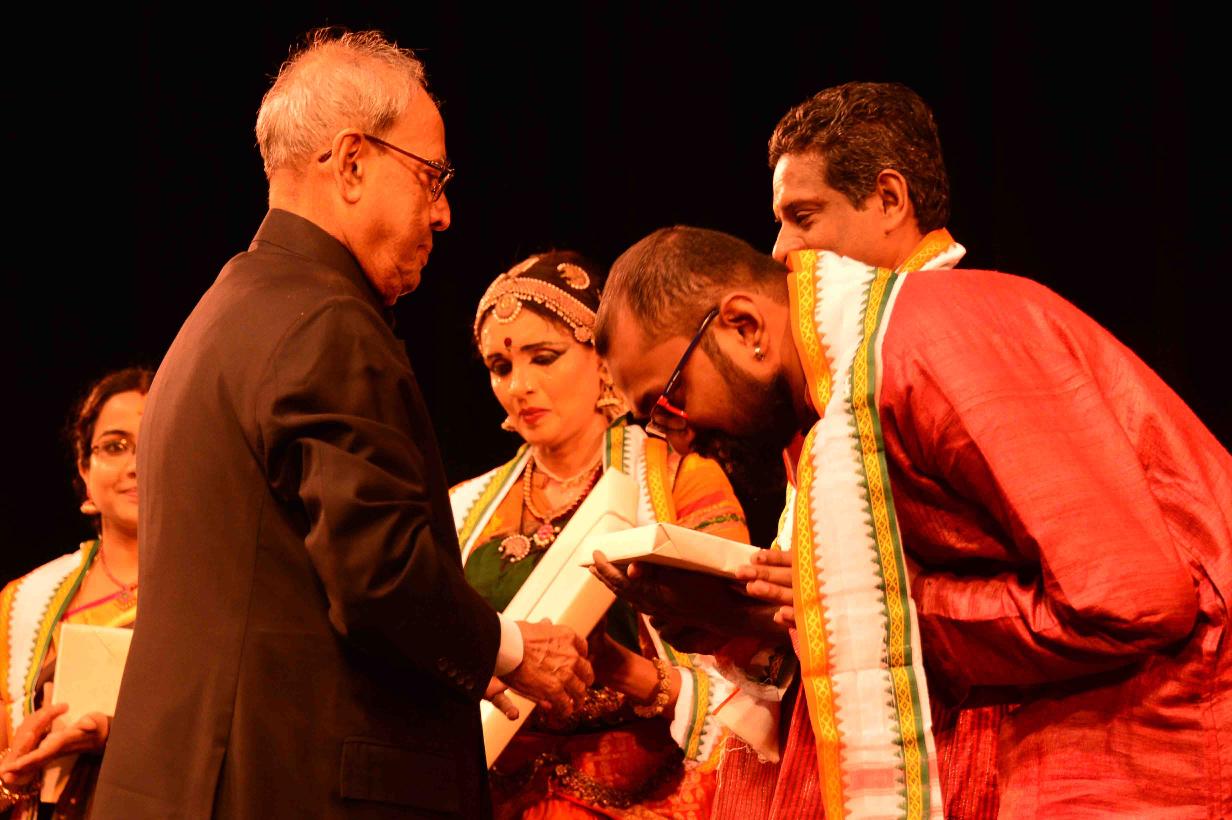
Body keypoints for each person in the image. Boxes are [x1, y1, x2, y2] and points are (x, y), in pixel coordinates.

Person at [92, 28, 592, 819]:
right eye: (431, 177)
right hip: (292, 787)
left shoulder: (219, 317)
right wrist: (511, 649)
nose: (444, 213)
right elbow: (380, 575)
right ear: (353, 162)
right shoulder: (325, 322)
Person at [591, 214, 1232, 818]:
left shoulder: (925, 347)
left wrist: (877, 605)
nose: (678, 436)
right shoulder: (834, 412)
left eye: (670, 400)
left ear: (744, 327)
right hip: (1088, 726)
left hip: (1175, 725)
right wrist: (742, 616)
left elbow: (1132, 602)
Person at [451, 251, 751, 817]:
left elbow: (745, 681)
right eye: (501, 366)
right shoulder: (462, 508)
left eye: (545, 357)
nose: (520, 386)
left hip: (651, 795)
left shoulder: (679, 482)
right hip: (493, 794)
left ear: (602, 357)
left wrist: (620, 668)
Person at [0, 366, 152, 819]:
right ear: (85, 472)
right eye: (115, 446)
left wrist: (118, 734)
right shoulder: (23, 604)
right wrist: (13, 779)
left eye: (156, 444)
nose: (136, 465)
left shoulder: (220, 595)